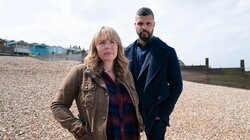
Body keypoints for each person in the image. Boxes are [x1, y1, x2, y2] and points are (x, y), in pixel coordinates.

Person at [51, 26, 143, 140]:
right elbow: (58, 105)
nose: (108, 46)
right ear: (95, 48)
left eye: (112, 42)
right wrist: (78, 130)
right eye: (102, 42)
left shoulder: (126, 74)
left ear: (118, 46)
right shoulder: (80, 73)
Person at [124, 7, 183, 140]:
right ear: (135, 25)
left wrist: (163, 113)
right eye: (140, 23)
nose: (144, 27)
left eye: (148, 23)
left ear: (154, 25)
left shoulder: (167, 52)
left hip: (155, 112)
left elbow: (177, 85)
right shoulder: (125, 53)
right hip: (131, 111)